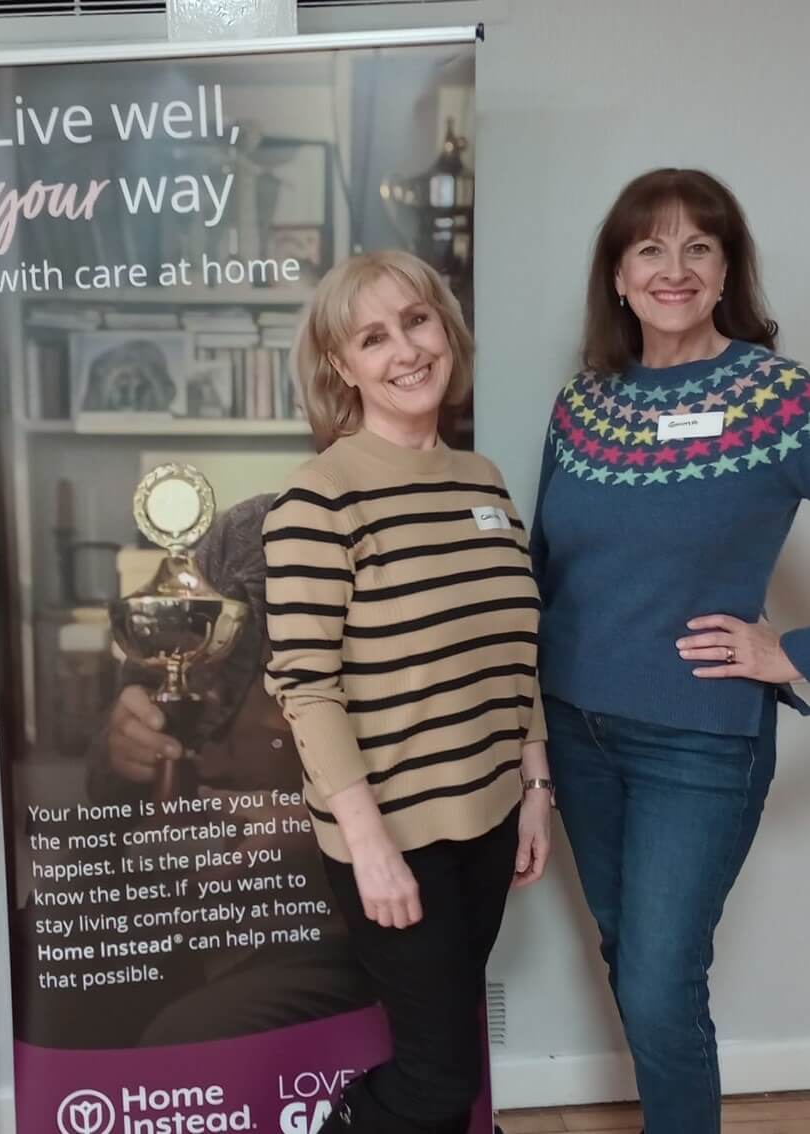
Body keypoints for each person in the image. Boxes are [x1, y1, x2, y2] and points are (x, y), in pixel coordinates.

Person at [530, 168, 810, 1134]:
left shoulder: (782, 399)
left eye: (699, 246)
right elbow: (546, 571)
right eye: (649, 247)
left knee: (656, 981)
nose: (674, 267)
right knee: (633, 961)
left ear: (728, 267)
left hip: (699, 744)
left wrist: (795, 652)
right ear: (617, 274)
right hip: (576, 731)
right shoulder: (583, 407)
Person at [263, 249, 552, 1134]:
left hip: (491, 815)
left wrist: (535, 786)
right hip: (394, 834)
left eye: (417, 321)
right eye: (373, 337)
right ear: (341, 368)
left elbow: (515, 651)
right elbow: (306, 688)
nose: (406, 350)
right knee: (436, 1077)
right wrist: (368, 844)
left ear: (446, 329)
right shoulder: (318, 502)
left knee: (446, 1048)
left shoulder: (484, 480)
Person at [12, 492, 373, 1050]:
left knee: (190, 1036)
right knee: (42, 942)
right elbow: (110, 778)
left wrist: (307, 823)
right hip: (190, 891)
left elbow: (446, 781)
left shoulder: (401, 555)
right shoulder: (234, 540)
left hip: (327, 915)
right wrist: (123, 747)